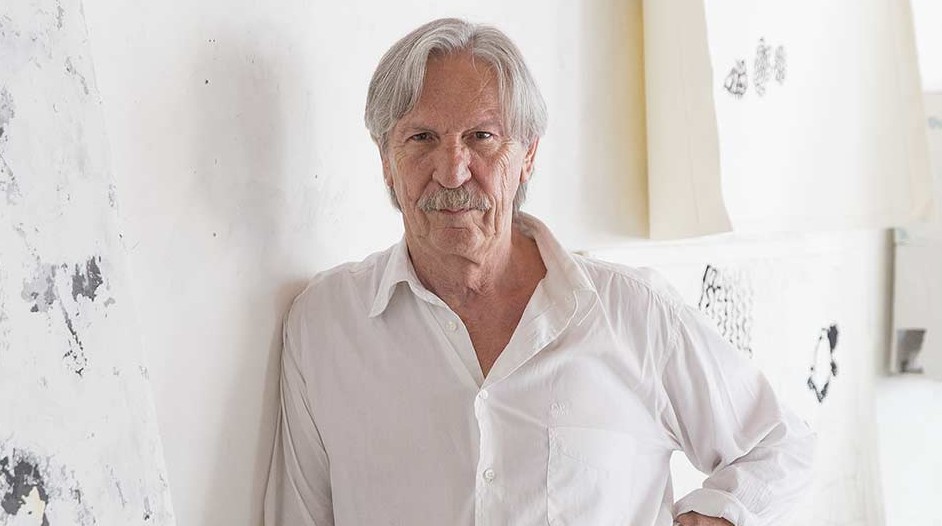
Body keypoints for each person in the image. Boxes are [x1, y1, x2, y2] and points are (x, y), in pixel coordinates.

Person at [264, 18, 814, 526]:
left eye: (482, 137)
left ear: (527, 155)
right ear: (386, 160)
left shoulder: (634, 314)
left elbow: (780, 444)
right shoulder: (325, 325)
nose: (453, 171)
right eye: (421, 138)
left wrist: (719, 517)